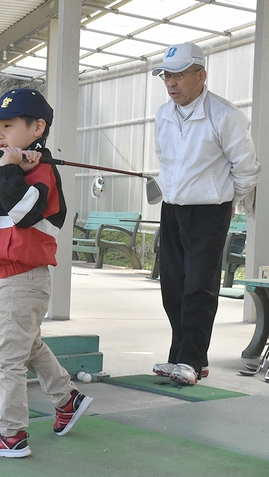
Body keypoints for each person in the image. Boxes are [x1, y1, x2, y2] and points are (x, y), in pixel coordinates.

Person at [0, 88, 92, 458]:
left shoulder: (46, 174)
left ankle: (11, 433)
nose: (0, 134)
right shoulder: (13, 168)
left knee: (5, 358)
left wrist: (19, 168)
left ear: (38, 128)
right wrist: (13, 165)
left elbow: (21, 211)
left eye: (8, 125)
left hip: (25, 277)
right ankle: (67, 399)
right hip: (12, 277)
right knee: (28, 345)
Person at [151, 42, 261, 385]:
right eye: (167, 76)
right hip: (172, 209)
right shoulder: (163, 115)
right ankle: (188, 357)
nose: (171, 83)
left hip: (210, 212)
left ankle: (188, 361)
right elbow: (167, 163)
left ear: (201, 75)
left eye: (179, 75)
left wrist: (225, 202)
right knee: (172, 286)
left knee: (199, 287)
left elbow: (247, 170)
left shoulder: (226, 116)